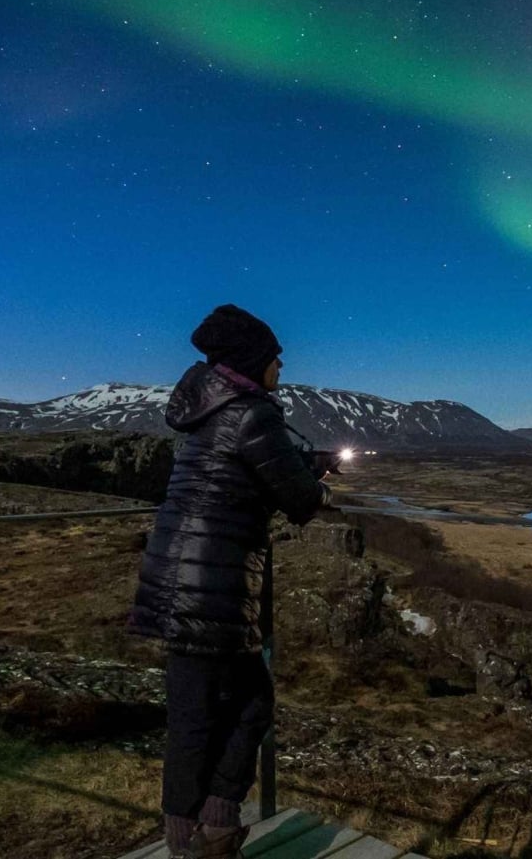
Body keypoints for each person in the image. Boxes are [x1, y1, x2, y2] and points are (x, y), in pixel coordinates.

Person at [130, 304, 332, 858]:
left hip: (180, 573)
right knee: (246, 705)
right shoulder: (252, 414)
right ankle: (208, 835)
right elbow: (299, 500)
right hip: (211, 582)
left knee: (194, 714)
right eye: (275, 357)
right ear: (253, 360)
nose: (282, 365)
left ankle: (199, 836)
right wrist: (323, 486)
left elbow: (240, 474)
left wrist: (301, 466)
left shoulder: (209, 409)